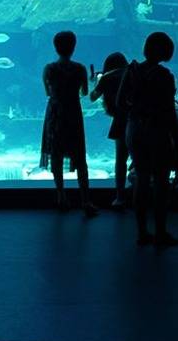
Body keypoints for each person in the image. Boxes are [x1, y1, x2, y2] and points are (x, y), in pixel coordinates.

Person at [117, 31, 178, 247]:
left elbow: (120, 102)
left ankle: (142, 232)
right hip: (157, 129)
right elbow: (169, 110)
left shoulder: (131, 71)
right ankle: (161, 231)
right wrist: (176, 138)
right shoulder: (165, 75)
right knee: (161, 182)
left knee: (141, 180)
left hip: (134, 128)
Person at [40, 31, 97, 217]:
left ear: (56, 47)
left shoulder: (49, 69)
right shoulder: (80, 69)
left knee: (56, 154)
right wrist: (91, 81)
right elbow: (85, 93)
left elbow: (48, 93)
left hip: (55, 113)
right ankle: (86, 201)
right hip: (73, 113)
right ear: (74, 47)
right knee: (79, 156)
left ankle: (61, 196)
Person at [89, 52, 129, 209]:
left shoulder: (107, 77)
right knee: (141, 160)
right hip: (140, 119)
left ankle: (120, 197)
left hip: (120, 120)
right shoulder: (132, 73)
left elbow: (92, 97)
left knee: (121, 160)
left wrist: (96, 81)